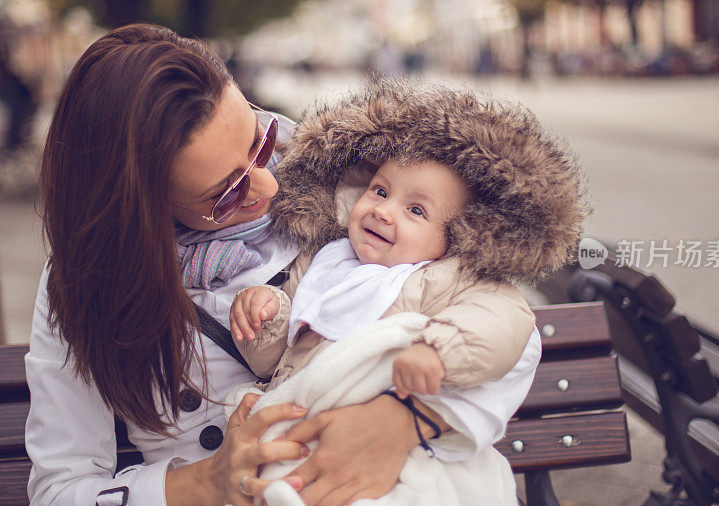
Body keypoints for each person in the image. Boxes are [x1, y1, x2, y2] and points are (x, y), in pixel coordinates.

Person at [24, 24, 543, 506]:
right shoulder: (83, 287)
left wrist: (402, 421)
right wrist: (203, 482)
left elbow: (500, 326)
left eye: (260, 141)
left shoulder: (346, 186)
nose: (270, 185)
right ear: (141, 210)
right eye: (225, 194)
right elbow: (61, 489)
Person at [224, 79, 591, 503]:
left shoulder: (445, 277)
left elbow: (505, 320)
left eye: (416, 210)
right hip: (305, 429)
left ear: (458, 235)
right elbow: (278, 358)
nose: (382, 210)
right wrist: (265, 316)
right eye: (379, 191)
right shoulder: (325, 262)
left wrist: (440, 350)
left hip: (394, 445)